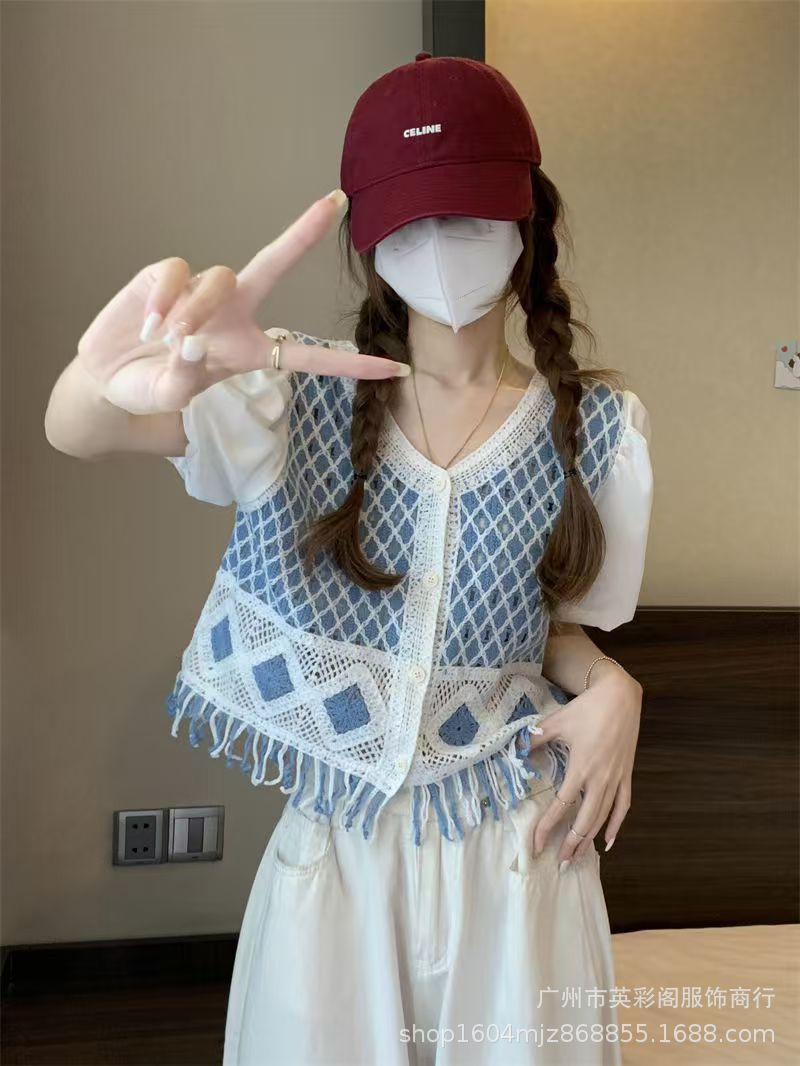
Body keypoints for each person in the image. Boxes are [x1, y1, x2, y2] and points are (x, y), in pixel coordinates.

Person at [45, 53, 653, 1066]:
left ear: (527, 216)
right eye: (412, 219)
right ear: (369, 241)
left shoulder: (600, 432)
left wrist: (616, 686)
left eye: (466, 210)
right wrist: (105, 378)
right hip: (338, 852)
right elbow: (81, 432)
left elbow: (552, 631)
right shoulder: (287, 397)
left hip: (517, 855)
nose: (441, 243)